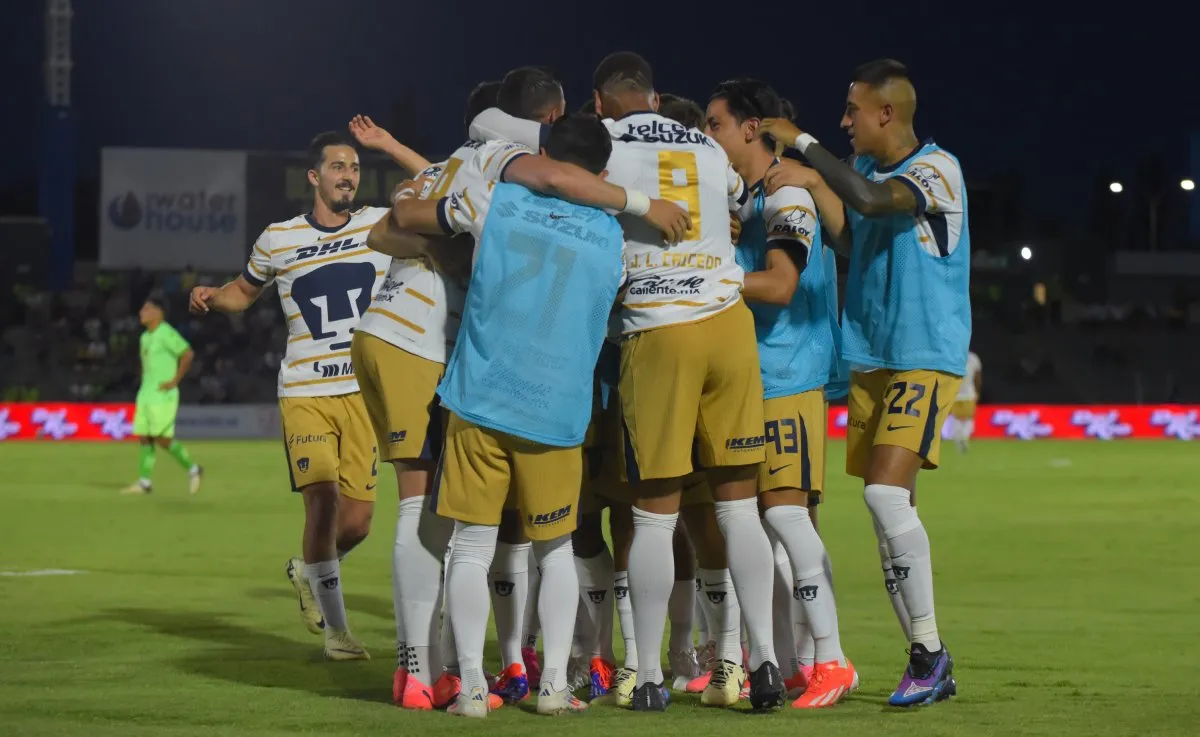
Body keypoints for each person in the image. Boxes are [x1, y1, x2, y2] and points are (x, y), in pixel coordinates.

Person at [384, 112, 689, 717]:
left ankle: (471, 687)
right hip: (556, 409)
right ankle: (553, 685)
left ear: (545, 155)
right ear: (603, 173)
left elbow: (405, 217)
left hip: (481, 394)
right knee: (554, 551)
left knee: (470, 548)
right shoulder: (617, 234)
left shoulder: (492, 198)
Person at [761, 58, 968, 707]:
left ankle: (929, 650)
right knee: (887, 511)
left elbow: (874, 202)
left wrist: (803, 146)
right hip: (873, 358)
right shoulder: (874, 175)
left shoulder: (935, 170)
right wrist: (812, 182)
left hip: (920, 353)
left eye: (853, 110)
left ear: (886, 112)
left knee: (883, 497)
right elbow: (854, 235)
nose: (845, 121)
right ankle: (927, 661)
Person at [355, 70, 563, 710]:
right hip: (415, 335)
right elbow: (390, 229)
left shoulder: (452, 163)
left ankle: (434, 666)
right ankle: (417, 671)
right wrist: (457, 262)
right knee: (421, 508)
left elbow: (384, 228)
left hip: (391, 330)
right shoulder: (512, 166)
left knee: (438, 511)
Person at [594, 51, 781, 712]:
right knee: (737, 507)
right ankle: (762, 666)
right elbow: (731, 211)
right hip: (728, 322)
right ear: (653, 95)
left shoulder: (603, 142)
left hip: (660, 324)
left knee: (652, 515)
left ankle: (646, 675)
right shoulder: (704, 141)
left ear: (600, 103)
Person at [189, 131, 392, 662]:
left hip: (362, 394)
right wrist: (213, 297)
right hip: (304, 390)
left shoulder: (379, 225)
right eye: (338, 166)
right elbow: (243, 291)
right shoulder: (279, 238)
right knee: (322, 505)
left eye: (354, 167)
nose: (348, 174)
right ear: (314, 177)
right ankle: (338, 633)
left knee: (358, 523)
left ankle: (307, 570)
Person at [704, 78, 854, 708]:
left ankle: (833, 659)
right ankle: (800, 660)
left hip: (787, 373)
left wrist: (711, 277)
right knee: (780, 526)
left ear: (749, 128)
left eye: (714, 124)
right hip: (766, 374)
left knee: (786, 516)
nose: (707, 135)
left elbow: (783, 285)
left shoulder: (789, 191)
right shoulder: (766, 195)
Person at [121, 293, 203, 496]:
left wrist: (175, 380)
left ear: (159, 313)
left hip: (163, 394)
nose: (141, 313)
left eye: (146, 309)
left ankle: (193, 469)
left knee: (160, 438)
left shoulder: (166, 333)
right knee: (145, 437)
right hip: (147, 393)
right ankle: (144, 482)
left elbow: (187, 353)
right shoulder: (144, 337)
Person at [950, 350, 982, 452]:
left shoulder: (953, 354)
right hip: (969, 393)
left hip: (955, 393)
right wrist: (977, 391)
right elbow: (978, 377)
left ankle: (958, 438)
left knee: (956, 418)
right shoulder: (973, 357)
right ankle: (964, 436)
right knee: (969, 418)